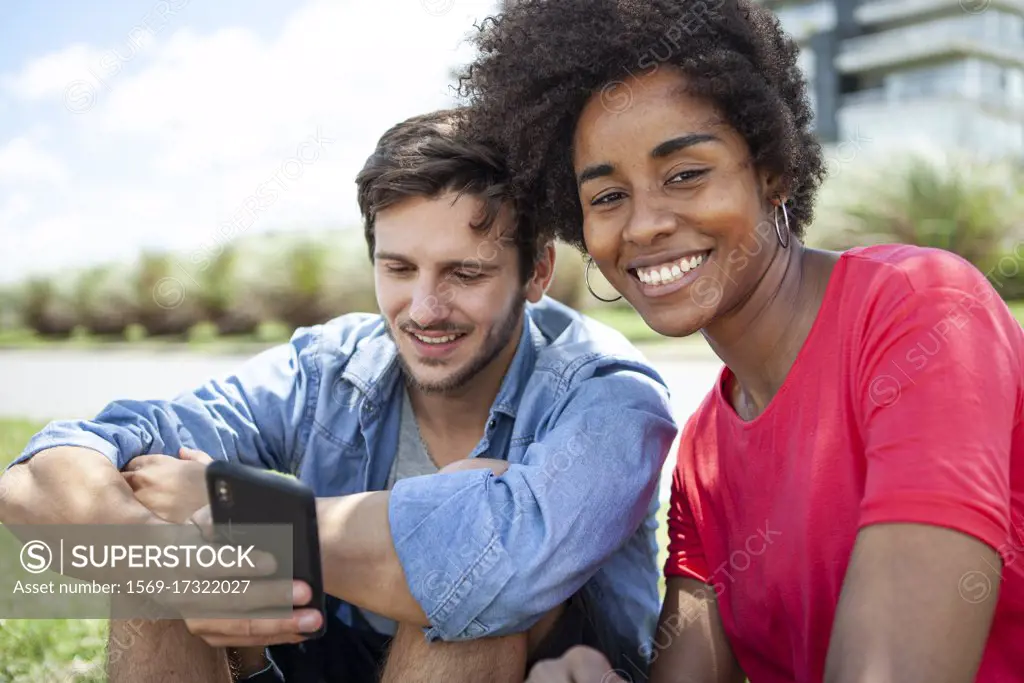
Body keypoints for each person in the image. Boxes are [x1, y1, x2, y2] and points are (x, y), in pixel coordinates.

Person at [0, 109, 678, 683]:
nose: (424, 307)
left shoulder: (607, 391)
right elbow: (41, 477)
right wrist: (167, 557)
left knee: (469, 581)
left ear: (536, 271)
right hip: (324, 654)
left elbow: (497, 566)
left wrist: (230, 504)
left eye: (465, 272)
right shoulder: (330, 366)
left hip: (527, 665)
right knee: (154, 561)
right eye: (399, 268)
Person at [455, 2, 1024, 682]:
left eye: (686, 173)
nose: (645, 224)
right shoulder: (702, 455)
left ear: (772, 170)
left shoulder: (919, 313)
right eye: (607, 196)